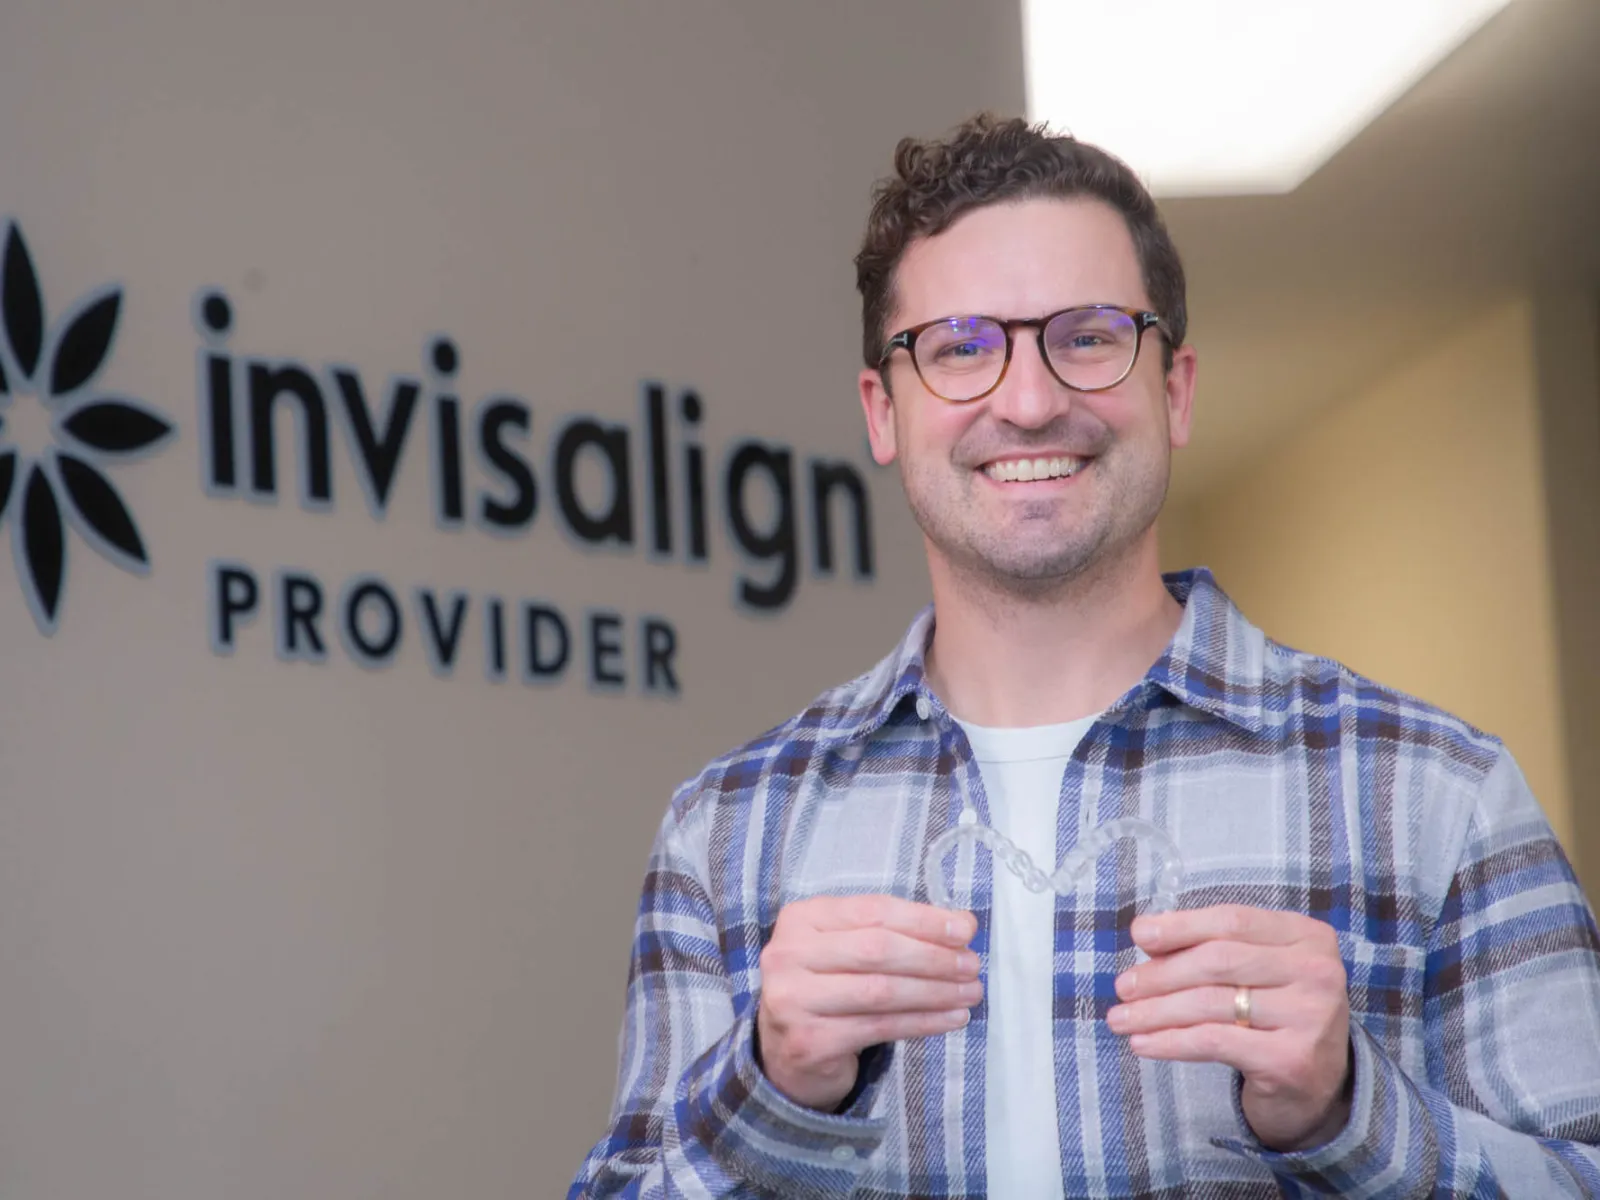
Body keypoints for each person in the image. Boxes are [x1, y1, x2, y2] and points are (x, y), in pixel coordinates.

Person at [568, 113, 1600, 1197]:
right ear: (883, 412)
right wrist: (765, 1091)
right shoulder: (727, 835)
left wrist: (1352, 1112)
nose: (1027, 400)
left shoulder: (1434, 793)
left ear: (1176, 388)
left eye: (1090, 335)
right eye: (962, 347)